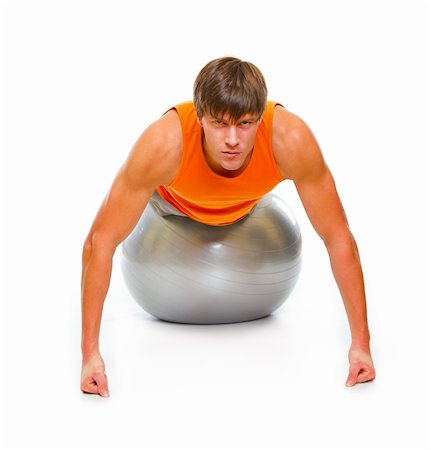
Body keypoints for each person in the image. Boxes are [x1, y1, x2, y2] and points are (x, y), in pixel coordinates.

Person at [80, 56, 376, 397]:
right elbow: (98, 242)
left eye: (246, 123)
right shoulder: (164, 144)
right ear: (200, 117)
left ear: (261, 119)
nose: (233, 139)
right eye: (220, 123)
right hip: (170, 213)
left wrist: (361, 345)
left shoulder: (289, 139)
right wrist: (91, 355)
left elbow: (338, 238)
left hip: (245, 213)